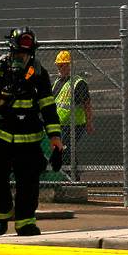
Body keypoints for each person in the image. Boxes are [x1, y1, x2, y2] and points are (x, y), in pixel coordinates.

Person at [0, 27, 63, 236]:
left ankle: (25, 223)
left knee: (29, 181)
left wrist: (55, 139)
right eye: (19, 54)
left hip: (29, 137)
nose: (23, 58)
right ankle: (2, 215)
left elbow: (48, 107)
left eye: (27, 54)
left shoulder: (39, 73)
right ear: (11, 51)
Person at [53, 50, 93, 179]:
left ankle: (72, 177)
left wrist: (89, 123)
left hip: (74, 125)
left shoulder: (78, 83)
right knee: (63, 149)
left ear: (70, 65)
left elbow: (87, 105)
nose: (60, 68)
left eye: (63, 65)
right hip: (59, 125)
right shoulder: (57, 82)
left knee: (65, 148)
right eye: (59, 65)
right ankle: (68, 176)